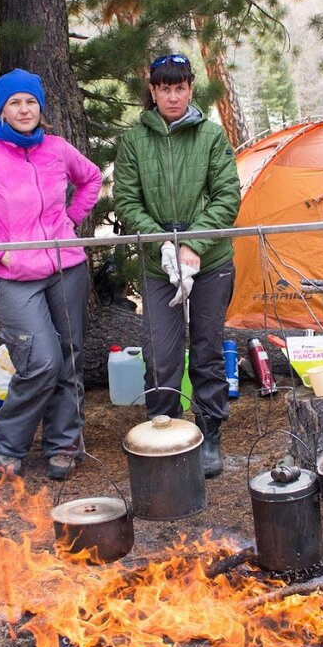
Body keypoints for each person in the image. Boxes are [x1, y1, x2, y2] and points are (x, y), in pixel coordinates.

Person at [0, 69, 102, 481]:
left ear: (41, 107)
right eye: (15, 102)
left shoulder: (56, 148)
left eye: (31, 102)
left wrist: (69, 221)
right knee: (39, 361)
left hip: (65, 268)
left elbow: (91, 179)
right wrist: (2, 253)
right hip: (16, 276)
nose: (24, 109)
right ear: (2, 109)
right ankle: (8, 446)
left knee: (68, 359)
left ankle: (64, 445)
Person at [113, 53, 241, 478]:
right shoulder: (134, 141)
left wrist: (193, 245)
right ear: (152, 92)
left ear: (190, 89)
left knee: (206, 350)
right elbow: (127, 201)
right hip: (157, 264)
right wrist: (162, 245)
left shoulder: (210, 135)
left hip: (210, 262)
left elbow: (227, 197)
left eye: (180, 87)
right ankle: (162, 433)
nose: (173, 96)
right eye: (164, 88)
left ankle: (208, 433)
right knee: (161, 354)